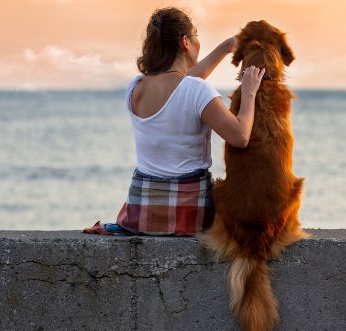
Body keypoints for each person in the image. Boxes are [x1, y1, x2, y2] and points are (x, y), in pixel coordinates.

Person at [83, 7, 265, 236]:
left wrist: (226, 47)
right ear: (185, 42)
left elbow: (182, 85)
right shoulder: (197, 90)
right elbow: (240, 137)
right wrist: (249, 92)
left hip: (141, 215)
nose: (199, 42)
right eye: (196, 35)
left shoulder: (136, 87)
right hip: (189, 217)